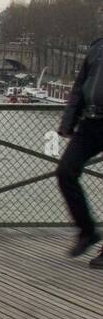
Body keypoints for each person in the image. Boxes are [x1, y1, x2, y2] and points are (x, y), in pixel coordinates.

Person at [56, 34, 103, 268]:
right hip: (91, 122)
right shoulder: (97, 47)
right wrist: (68, 122)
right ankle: (87, 230)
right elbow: (79, 86)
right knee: (65, 172)